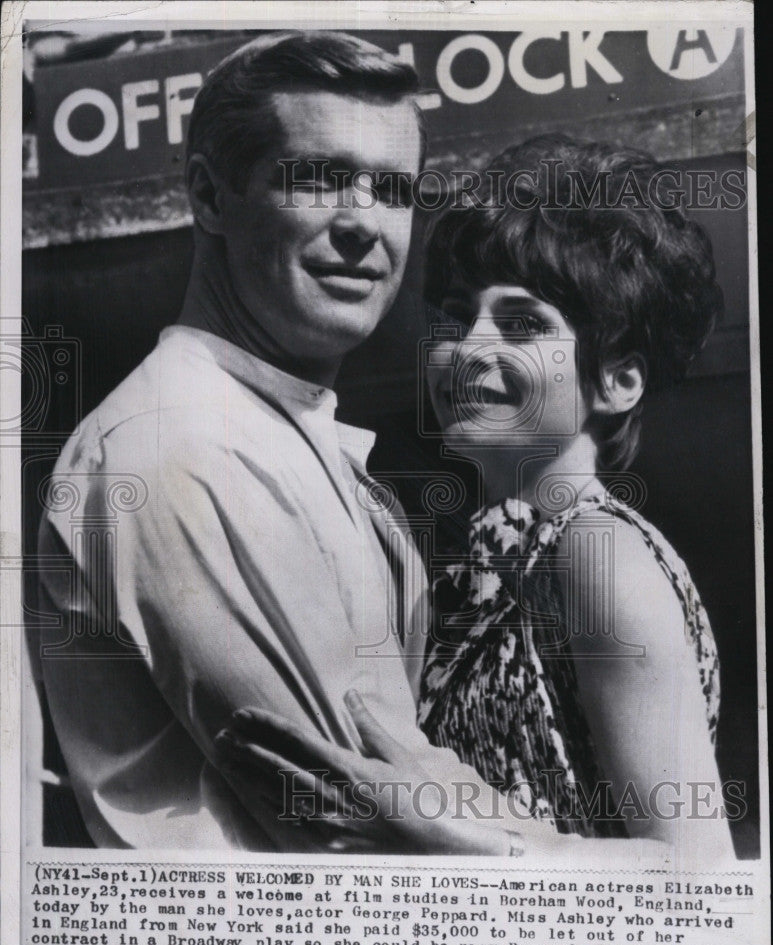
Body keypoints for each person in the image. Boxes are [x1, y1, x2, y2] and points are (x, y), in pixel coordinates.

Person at [34, 30, 563, 858]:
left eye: (391, 189)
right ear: (209, 196)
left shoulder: (268, 424)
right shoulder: (183, 446)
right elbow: (381, 830)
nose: (362, 224)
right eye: (317, 178)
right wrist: (636, 862)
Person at [218, 135, 735, 862]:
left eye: (522, 324)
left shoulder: (595, 550)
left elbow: (696, 867)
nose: (467, 349)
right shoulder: (484, 571)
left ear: (617, 380)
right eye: (457, 315)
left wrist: (440, 837)